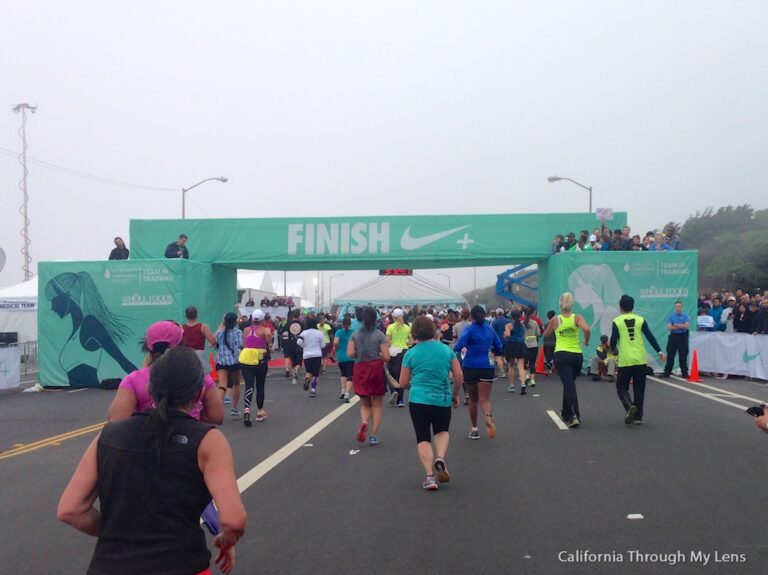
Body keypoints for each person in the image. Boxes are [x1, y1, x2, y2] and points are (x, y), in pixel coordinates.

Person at [57, 346, 247, 575]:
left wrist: (120, 532)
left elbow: (70, 509)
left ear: (150, 388)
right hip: (182, 564)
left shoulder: (107, 436)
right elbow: (234, 520)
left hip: (110, 566)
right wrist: (226, 541)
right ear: (198, 393)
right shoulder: (207, 440)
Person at [389, 316, 464, 490]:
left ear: (414, 333)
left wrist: (410, 383)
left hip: (418, 399)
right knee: (442, 431)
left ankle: (430, 477)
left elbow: (403, 382)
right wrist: (455, 394)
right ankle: (441, 458)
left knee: (423, 437)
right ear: (433, 330)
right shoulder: (446, 350)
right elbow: (459, 375)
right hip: (442, 397)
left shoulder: (411, 353)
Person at [107, 320, 223, 425]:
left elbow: (116, 421)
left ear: (147, 347)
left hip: (146, 443)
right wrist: (193, 414)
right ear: (181, 344)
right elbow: (216, 415)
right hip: (190, 441)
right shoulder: (200, 375)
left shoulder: (134, 380)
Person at [44, 272, 138, 387]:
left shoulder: (90, 325)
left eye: (54, 301)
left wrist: (144, 382)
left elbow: (122, 360)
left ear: (67, 297)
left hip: (89, 394)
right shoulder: (77, 329)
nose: (52, 307)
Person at [610, 295, 665, 425]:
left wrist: (613, 350)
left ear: (620, 307)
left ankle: (629, 406)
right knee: (639, 388)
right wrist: (659, 351)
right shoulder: (640, 320)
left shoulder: (617, 321)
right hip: (640, 358)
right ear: (633, 307)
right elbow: (649, 336)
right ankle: (638, 417)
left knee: (621, 386)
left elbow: (613, 339)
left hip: (626, 360)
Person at [454, 305, 504, 440]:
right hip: (487, 366)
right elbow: (499, 347)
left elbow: (460, 345)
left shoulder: (469, 330)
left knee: (473, 400)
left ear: (472, 317)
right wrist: (494, 351)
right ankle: (488, 417)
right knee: (484, 399)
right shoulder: (490, 329)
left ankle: (474, 429)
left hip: (470, 366)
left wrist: (457, 347)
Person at [542, 292, 591, 428]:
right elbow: (587, 329)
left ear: (560, 304)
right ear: (572, 304)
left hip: (562, 355)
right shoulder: (577, 318)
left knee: (569, 385)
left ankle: (575, 415)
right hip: (576, 356)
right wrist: (586, 341)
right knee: (569, 383)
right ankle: (566, 412)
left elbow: (546, 335)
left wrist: (547, 331)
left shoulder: (555, 320)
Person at [348, 307, 391, 446]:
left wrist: (358, 354)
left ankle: (364, 422)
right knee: (377, 404)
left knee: (365, 403)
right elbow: (387, 357)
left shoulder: (355, 334)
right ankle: (373, 435)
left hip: (360, 368)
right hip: (376, 368)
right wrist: (377, 354)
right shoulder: (380, 335)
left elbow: (349, 353)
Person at [239, 309, 272, 426]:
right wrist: (270, 344)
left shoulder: (246, 330)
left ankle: (247, 409)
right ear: (262, 319)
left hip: (246, 360)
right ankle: (259, 412)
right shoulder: (265, 329)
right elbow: (268, 335)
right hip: (260, 360)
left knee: (249, 385)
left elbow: (244, 344)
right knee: (260, 386)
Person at [215, 312, 243, 416]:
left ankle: (217, 409)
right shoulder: (238, 332)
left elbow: (214, 344)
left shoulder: (220, 333)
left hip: (222, 362)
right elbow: (240, 345)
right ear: (235, 321)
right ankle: (234, 408)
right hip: (234, 361)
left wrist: (220, 326)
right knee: (236, 384)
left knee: (222, 385)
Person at [386, 308, 412, 407]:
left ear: (393, 317)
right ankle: (400, 401)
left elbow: (387, 341)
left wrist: (393, 343)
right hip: (404, 352)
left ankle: (393, 391)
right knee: (401, 376)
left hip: (393, 352)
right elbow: (411, 341)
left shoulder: (390, 327)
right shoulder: (407, 327)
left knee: (391, 375)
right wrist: (404, 343)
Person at [182, 306, 217, 374]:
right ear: (196, 315)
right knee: (202, 376)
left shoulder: (182, 328)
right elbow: (213, 341)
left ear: (186, 316)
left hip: (186, 355)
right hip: (199, 354)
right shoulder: (203, 327)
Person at [660, 301, 690, 378]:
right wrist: (681, 325)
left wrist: (675, 325)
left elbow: (686, 326)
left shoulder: (686, 316)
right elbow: (669, 327)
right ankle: (667, 372)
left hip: (683, 337)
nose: (678, 308)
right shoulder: (671, 316)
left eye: (679, 306)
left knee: (683, 355)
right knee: (670, 355)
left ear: (682, 307)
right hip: (673, 336)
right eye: (676, 306)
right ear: (674, 307)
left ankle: (684, 373)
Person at [297, 317, 325, 397]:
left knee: (309, 371)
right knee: (316, 373)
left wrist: (304, 346)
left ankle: (307, 380)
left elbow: (298, 342)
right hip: (317, 354)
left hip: (306, 355)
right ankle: (313, 389)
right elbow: (323, 345)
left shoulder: (304, 333)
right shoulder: (319, 333)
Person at [503, 309, 528, 394]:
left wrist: (504, 334)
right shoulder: (523, 325)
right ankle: (523, 383)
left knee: (511, 365)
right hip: (521, 345)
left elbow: (508, 334)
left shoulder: (509, 325)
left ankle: (512, 385)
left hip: (511, 345)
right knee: (521, 366)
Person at [334, 316, 355, 402]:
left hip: (341, 355)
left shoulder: (339, 332)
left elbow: (335, 342)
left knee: (343, 374)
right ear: (350, 324)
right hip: (350, 356)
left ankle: (342, 390)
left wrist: (337, 348)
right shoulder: (353, 332)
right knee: (350, 376)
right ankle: (347, 393)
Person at [280, 309, 304, 383]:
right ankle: (296, 370)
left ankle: (290, 371)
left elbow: (282, 332)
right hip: (299, 343)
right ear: (299, 315)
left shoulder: (288, 324)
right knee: (299, 361)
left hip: (290, 343)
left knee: (291, 359)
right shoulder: (301, 324)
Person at [523, 310, 541, 387]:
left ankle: (526, 376)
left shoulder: (521, 324)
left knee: (524, 362)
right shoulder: (534, 323)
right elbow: (538, 334)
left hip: (524, 345)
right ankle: (533, 380)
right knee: (532, 363)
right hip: (533, 345)